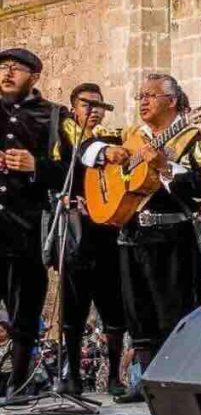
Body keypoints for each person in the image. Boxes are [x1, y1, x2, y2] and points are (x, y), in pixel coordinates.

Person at [81, 73, 201, 403]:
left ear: (173, 101)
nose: (143, 101)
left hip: (173, 239)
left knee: (176, 313)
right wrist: (106, 153)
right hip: (131, 235)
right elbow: (84, 146)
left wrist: (168, 169)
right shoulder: (128, 136)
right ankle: (149, 381)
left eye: (151, 95)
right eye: (140, 96)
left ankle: (183, 387)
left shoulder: (195, 141)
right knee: (139, 314)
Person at [0, 48, 69, 398]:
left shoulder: (54, 116)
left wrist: (36, 167)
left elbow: (75, 175)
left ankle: (20, 382)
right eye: (4, 67)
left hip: (26, 227)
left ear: (35, 76)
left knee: (25, 311)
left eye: (17, 68)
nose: (8, 73)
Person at [53, 83, 127, 397]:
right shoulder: (64, 136)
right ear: (74, 107)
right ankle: (70, 376)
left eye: (100, 105)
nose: (95, 110)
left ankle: (113, 376)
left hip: (106, 233)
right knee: (73, 308)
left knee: (113, 308)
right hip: (75, 232)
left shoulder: (112, 138)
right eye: (88, 104)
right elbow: (60, 169)